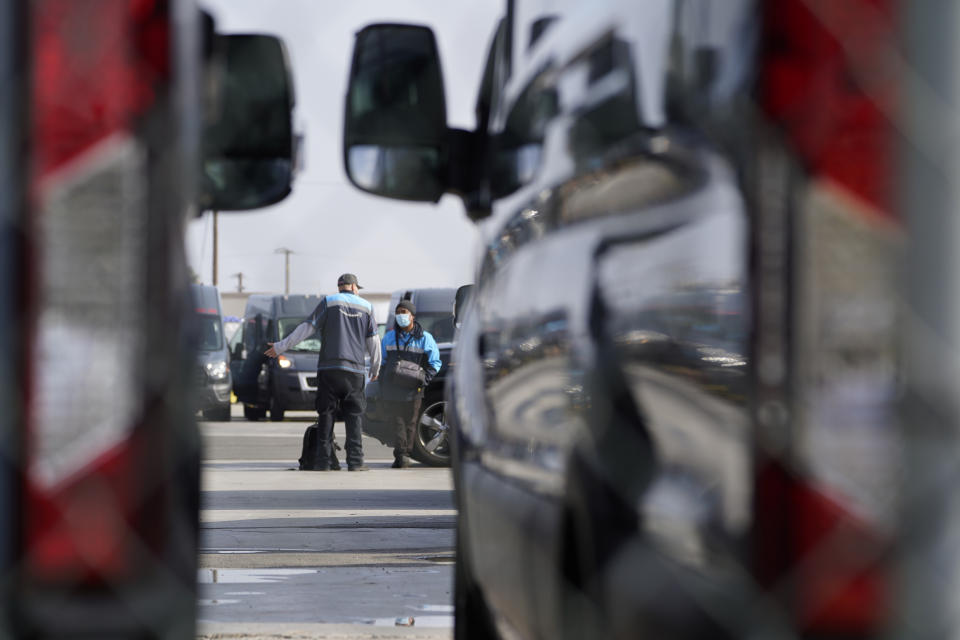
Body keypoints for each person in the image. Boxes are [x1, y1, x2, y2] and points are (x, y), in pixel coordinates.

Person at [265, 273, 381, 471]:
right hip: (354, 371)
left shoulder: (328, 302)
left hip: (329, 369)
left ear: (339, 287)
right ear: (353, 287)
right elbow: (374, 341)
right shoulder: (367, 307)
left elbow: (306, 328)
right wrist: (376, 368)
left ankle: (323, 461)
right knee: (354, 414)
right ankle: (355, 461)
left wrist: (281, 347)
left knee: (326, 414)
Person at [380, 299, 442, 468]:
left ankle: (404, 454)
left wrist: (425, 379)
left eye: (404, 312)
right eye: (398, 312)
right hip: (392, 388)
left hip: (414, 388)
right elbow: (382, 363)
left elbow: (435, 363)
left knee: (411, 422)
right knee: (397, 422)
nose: (401, 316)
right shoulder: (389, 337)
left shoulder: (425, 338)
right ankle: (401, 455)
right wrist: (381, 383)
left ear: (412, 316)